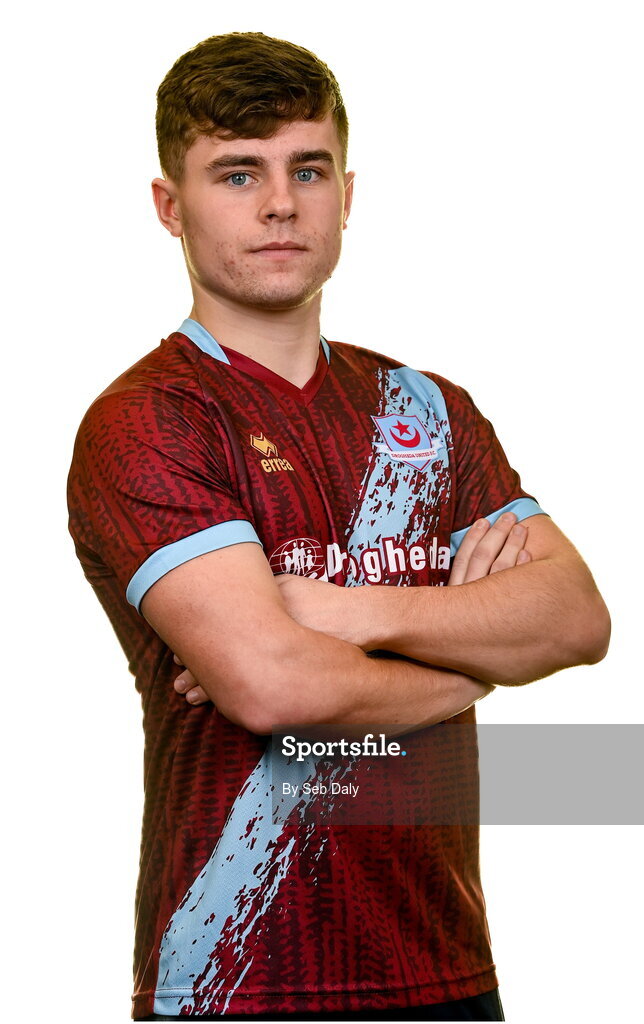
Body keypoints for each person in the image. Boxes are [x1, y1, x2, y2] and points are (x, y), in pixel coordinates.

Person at [66, 30, 610, 1022]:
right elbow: (272, 687)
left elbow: (574, 618)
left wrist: (350, 612)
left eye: (307, 170)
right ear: (169, 206)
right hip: (237, 981)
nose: (280, 202)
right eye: (238, 173)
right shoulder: (152, 419)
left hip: (446, 968)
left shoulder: (428, 411)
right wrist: (474, 667)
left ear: (346, 195)